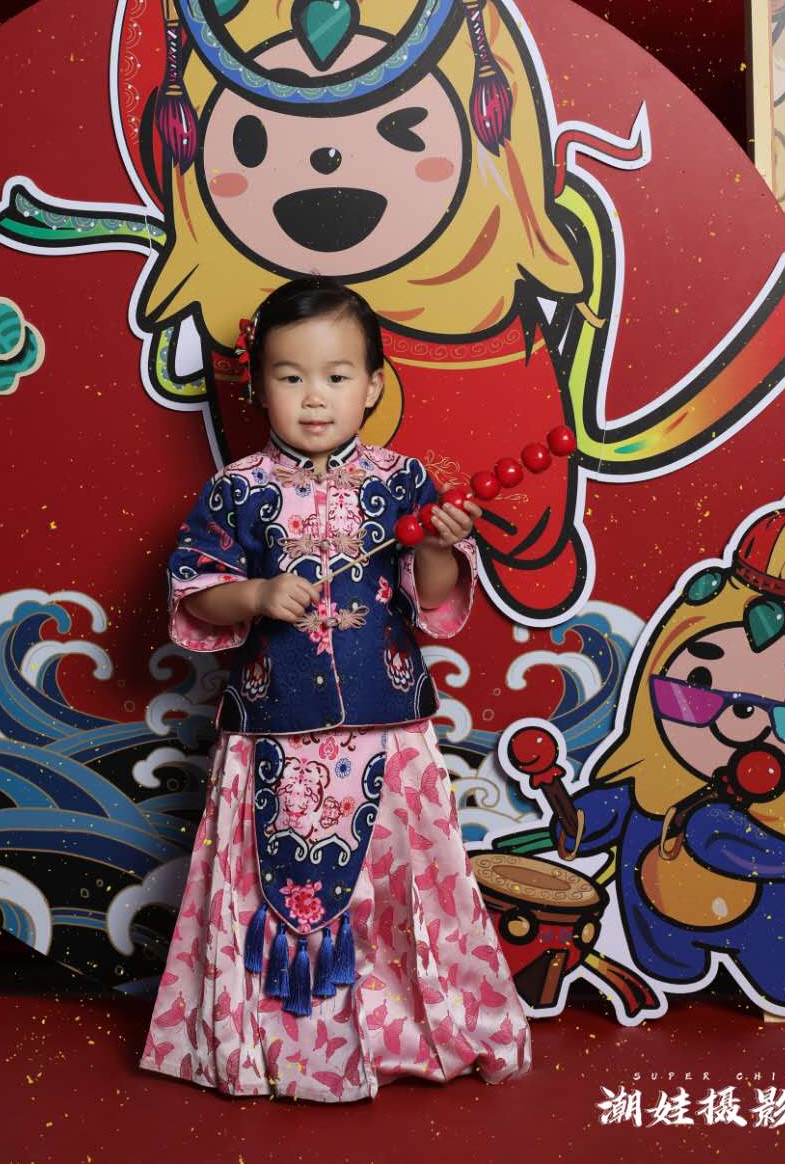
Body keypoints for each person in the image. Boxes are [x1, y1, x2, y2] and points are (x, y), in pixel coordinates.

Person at [140, 276, 531, 1101]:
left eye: (337, 375)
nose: (314, 397)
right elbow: (196, 595)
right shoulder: (238, 489)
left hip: (389, 727)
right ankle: (279, 1047)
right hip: (273, 731)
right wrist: (252, 594)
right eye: (291, 377)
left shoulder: (404, 481)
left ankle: (400, 1031)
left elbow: (431, 597)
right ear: (258, 387)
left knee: (394, 890)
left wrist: (440, 543)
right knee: (274, 890)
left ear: (374, 385)